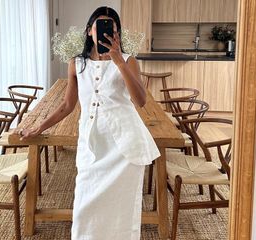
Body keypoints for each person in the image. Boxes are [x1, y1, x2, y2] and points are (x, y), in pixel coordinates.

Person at [20, 6, 160, 240]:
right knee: (84, 207)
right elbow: (67, 106)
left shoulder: (128, 61)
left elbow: (141, 100)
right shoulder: (77, 63)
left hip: (124, 148)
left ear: (117, 34)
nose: (105, 32)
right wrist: (39, 127)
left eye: (111, 28)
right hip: (91, 145)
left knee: (122, 212)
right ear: (89, 31)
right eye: (100, 26)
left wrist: (119, 63)